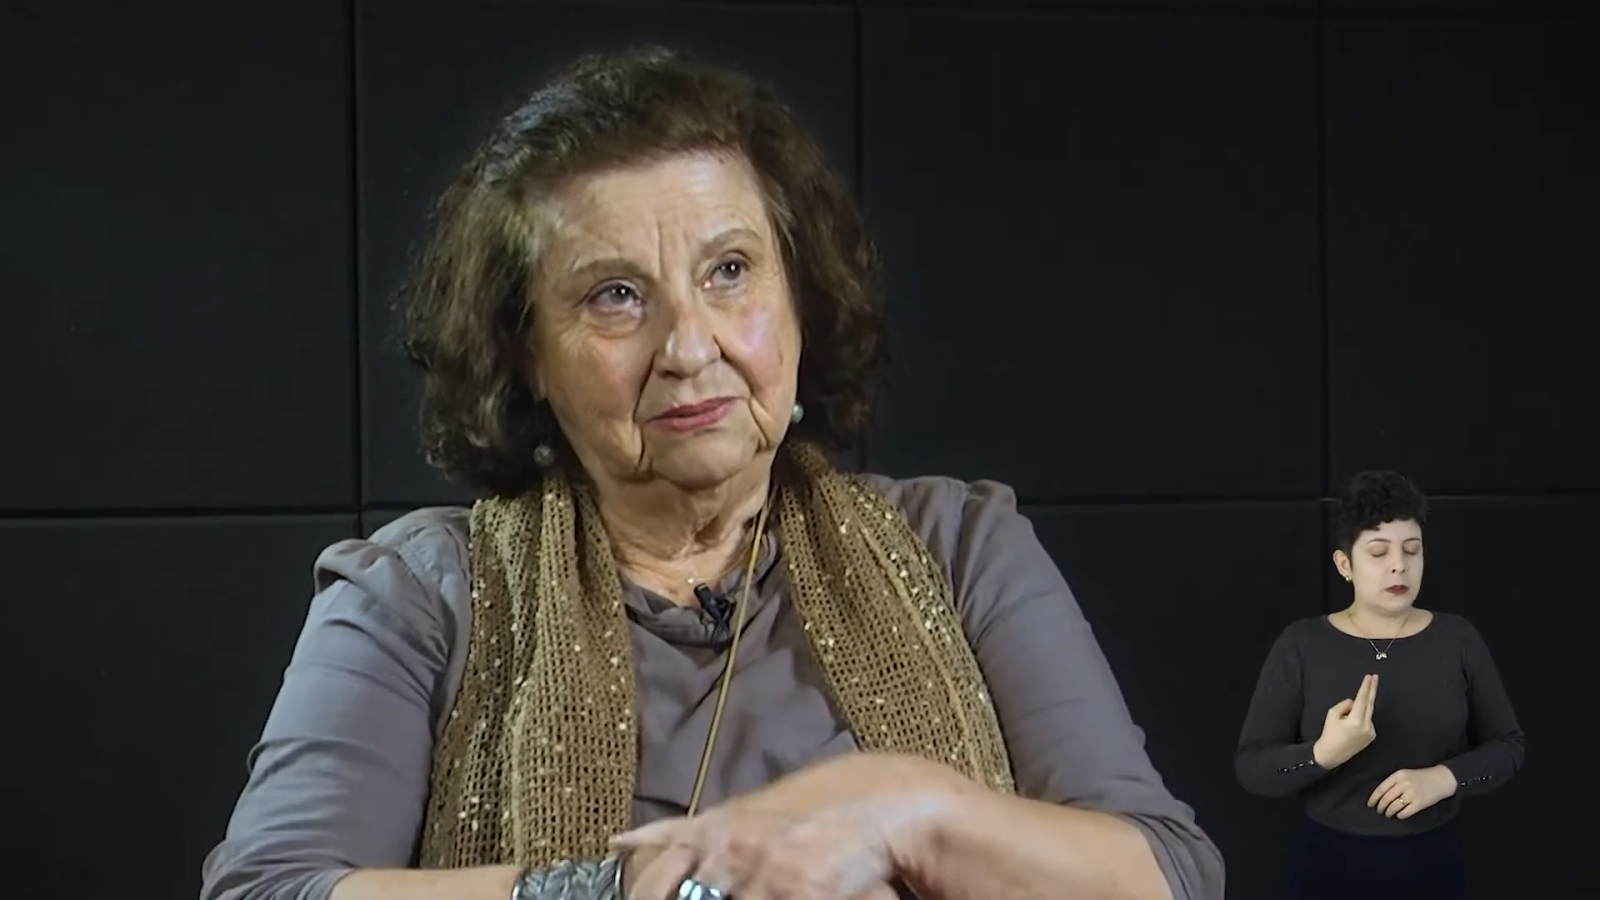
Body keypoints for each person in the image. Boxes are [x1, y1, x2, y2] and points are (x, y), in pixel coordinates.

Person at [200, 46, 1223, 900]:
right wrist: (627, 889)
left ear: (801, 297)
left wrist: (908, 812)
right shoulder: (417, 594)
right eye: (614, 295)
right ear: (526, 353)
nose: (691, 348)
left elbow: (1167, 873)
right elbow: (267, 889)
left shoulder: (960, 548)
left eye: (729, 272)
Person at [1234, 470, 1524, 900]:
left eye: (1412, 549)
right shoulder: (1302, 644)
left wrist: (1445, 778)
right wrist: (1323, 754)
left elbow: (1508, 746)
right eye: (1378, 551)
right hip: (1327, 869)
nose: (1398, 565)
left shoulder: (1457, 638)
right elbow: (1252, 768)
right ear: (1344, 565)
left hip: (1433, 865)